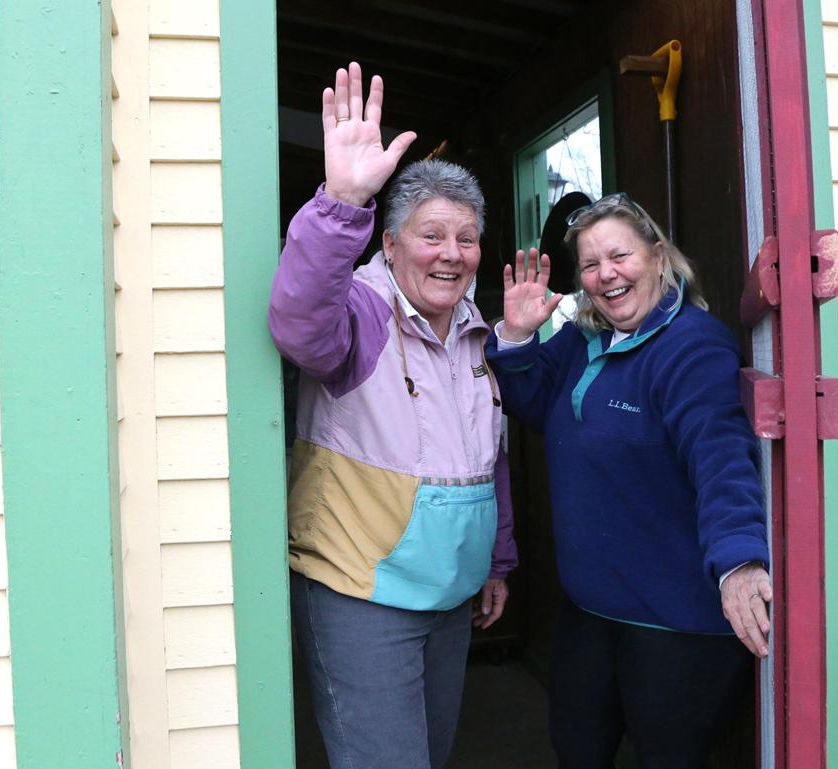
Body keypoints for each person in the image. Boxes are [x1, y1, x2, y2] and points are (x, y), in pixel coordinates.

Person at [269, 62, 517, 769]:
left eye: (466, 238)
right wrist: (343, 201)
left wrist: (494, 561)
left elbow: (485, 459)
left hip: (450, 594)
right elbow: (297, 324)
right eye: (430, 234)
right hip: (360, 591)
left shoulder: (475, 329)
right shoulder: (362, 311)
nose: (451, 253)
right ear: (388, 242)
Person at [484, 192, 772, 769]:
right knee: (576, 750)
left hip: (674, 623)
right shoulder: (586, 337)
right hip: (591, 610)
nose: (605, 274)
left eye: (619, 256)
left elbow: (719, 455)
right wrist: (516, 338)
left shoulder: (691, 346)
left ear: (658, 257)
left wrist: (740, 558)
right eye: (590, 264)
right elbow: (535, 402)